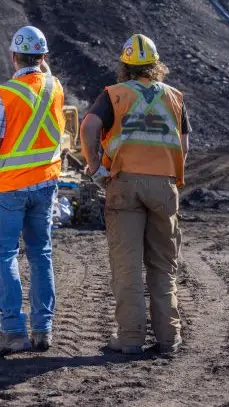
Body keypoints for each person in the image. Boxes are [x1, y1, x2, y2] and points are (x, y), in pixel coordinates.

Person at [79, 34, 191, 356]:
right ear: (155, 66)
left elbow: (88, 127)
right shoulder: (175, 97)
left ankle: (129, 339)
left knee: (127, 266)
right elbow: (183, 146)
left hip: (124, 184)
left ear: (124, 66)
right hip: (164, 187)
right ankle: (169, 340)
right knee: (163, 267)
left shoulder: (113, 95)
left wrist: (95, 166)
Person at [0, 26, 66, 356]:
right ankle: (43, 330)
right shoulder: (55, 88)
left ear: (13, 58)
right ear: (43, 57)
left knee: (5, 254)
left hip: (12, 188)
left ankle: (12, 332)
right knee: (41, 253)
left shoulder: (6, 94)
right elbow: (46, 76)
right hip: (46, 184)